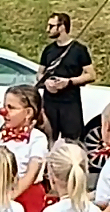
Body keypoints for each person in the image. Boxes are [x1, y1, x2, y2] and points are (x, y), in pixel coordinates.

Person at [38, 12, 96, 142]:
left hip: (70, 102)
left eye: (51, 26)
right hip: (49, 102)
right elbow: (40, 73)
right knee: (47, 138)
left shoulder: (79, 50)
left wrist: (69, 82)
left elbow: (91, 75)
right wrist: (46, 82)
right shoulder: (48, 50)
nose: (47, 30)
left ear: (62, 27)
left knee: (72, 140)